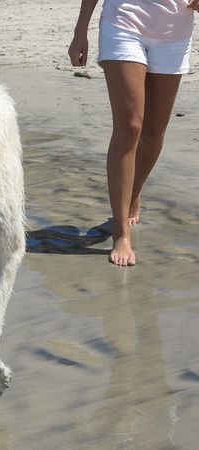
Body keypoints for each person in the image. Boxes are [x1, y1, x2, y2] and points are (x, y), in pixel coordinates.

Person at [68, 0, 198, 266]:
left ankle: (133, 192)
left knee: (153, 133)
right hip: (123, 23)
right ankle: (121, 231)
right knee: (130, 126)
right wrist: (80, 31)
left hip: (174, 30)